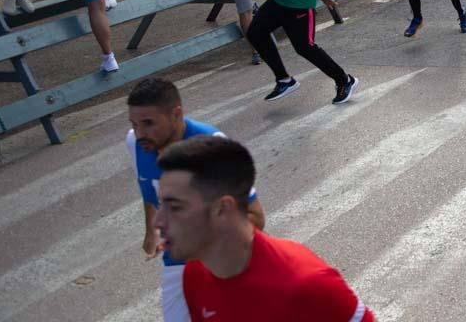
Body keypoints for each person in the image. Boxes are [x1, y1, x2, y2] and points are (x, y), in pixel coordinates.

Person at [155, 136, 374, 321]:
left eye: (174, 207)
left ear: (222, 208)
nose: (158, 221)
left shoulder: (308, 285)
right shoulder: (195, 274)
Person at [126, 78, 265, 322]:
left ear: (176, 114)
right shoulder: (137, 143)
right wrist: (151, 231)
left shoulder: (214, 147)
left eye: (149, 123)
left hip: (225, 261)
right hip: (178, 262)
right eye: (134, 124)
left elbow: (255, 218)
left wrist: (198, 240)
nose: (140, 133)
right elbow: (150, 188)